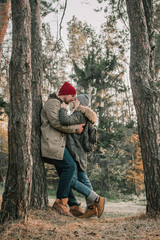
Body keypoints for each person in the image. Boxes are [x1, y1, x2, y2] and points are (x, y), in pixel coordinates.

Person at [41, 81, 85, 217]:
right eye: (72, 95)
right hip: (52, 144)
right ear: (65, 94)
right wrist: (75, 129)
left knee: (64, 171)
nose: (73, 99)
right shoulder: (53, 103)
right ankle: (60, 202)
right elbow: (56, 123)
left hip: (57, 144)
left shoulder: (60, 104)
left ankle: (72, 204)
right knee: (70, 167)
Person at [59, 94, 105, 218]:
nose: (73, 101)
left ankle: (97, 199)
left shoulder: (79, 114)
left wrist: (63, 108)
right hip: (80, 153)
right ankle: (91, 208)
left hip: (74, 151)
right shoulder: (85, 116)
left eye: (76, 99)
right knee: (83, 179)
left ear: (81, 103)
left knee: (72, 181)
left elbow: (65, 121)